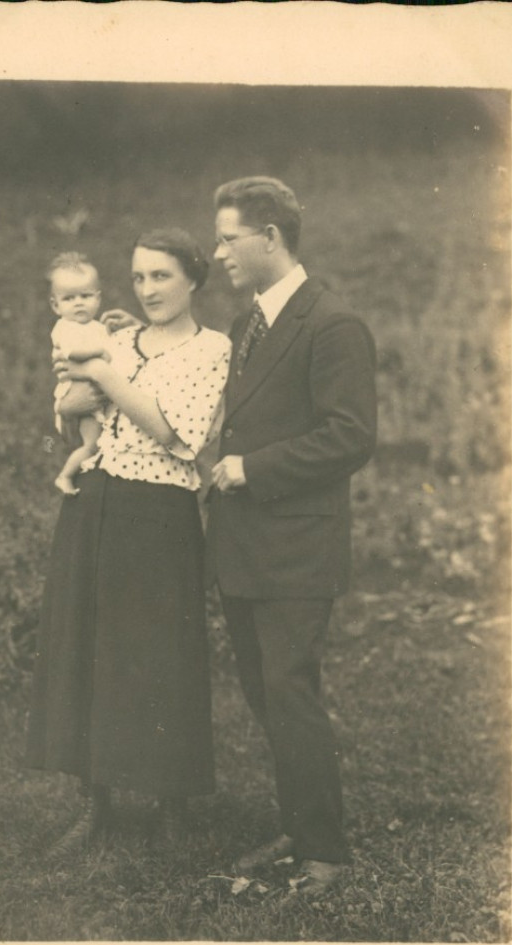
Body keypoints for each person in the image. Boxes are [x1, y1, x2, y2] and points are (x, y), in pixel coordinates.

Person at [27, 228, 230, 853]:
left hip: (160, 513)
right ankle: (98, 803)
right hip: (95, 503)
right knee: (88, 646)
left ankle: (171, 804)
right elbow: (71, 413)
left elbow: (176, 431)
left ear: (193, 279)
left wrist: (101, 378)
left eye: (162, 276)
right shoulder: (114, 339)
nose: (148, 290)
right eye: (139, 277)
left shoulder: (212, 349)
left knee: (161, 651)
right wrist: (74, 395)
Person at [206, 176, 377, 895]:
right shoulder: (251, 321)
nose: (217, 254)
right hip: (247, 546)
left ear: (269, 236)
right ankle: (299, 826)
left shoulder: (332, 323)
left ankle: (324, 855)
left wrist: (250, 468)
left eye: (227, 237)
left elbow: (349, 436)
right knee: (265, 690)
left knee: (289, 688)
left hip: (298, 549)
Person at [48, 252, 112, 495]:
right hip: (75, 393)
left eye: (85, 296)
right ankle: (65, 476)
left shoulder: (97, 328)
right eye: (69, 298)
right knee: (91, 444)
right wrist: (102, 352)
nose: (78, 303)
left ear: (98, 298)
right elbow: (74, 352)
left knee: (98, 443)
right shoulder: (65, 328)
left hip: (94, 391)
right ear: (56, 305)